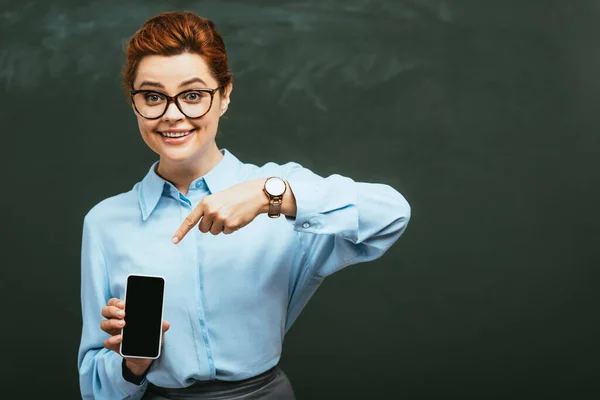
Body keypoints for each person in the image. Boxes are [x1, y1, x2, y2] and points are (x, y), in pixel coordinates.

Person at [77, 10, 411, 400]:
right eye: (152, 96)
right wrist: (131, 364)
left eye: (193, 95)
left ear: (224, 96)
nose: (173, 114)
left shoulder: (281, 193)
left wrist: (270, 195)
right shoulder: (105, 222)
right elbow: (95, 386)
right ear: (134, 103)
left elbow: (391, 214)